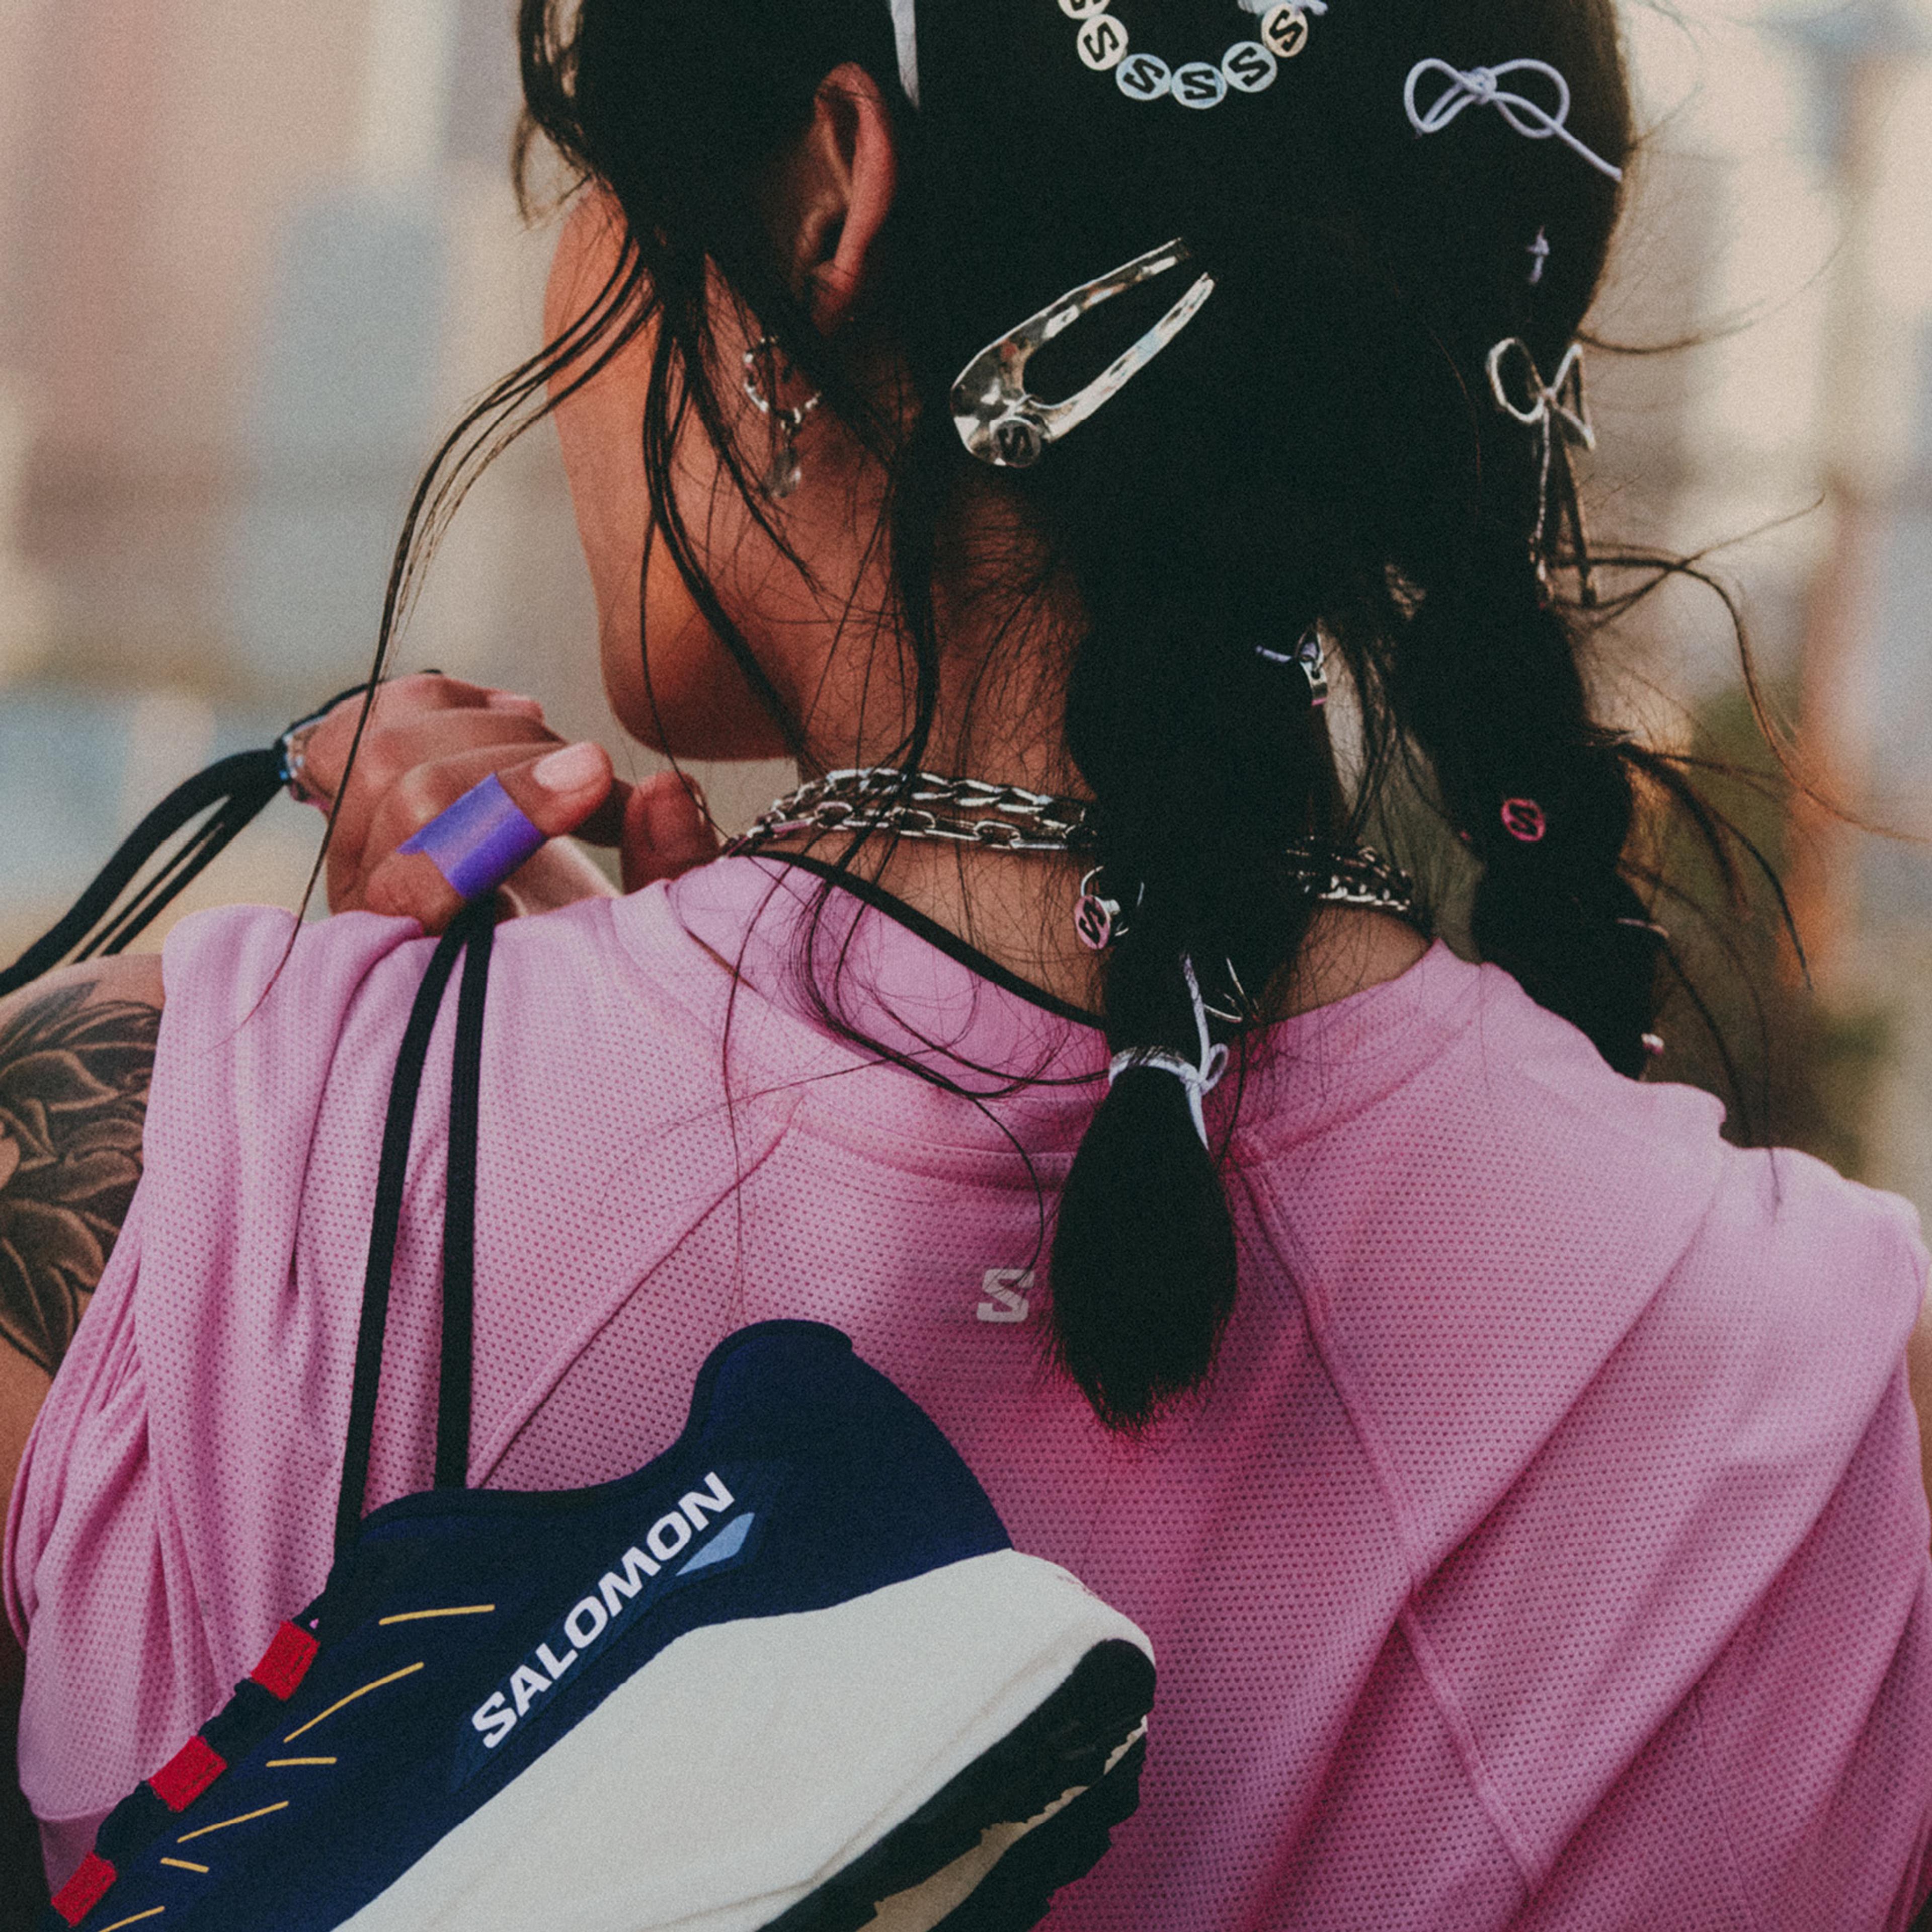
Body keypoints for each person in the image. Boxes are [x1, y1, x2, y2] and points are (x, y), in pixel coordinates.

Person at [6, 0, 1932, 1921]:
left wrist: (357, 1127)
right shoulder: (1855, 1413)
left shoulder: (148, 1161)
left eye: (592, 179)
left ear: (835, 193)